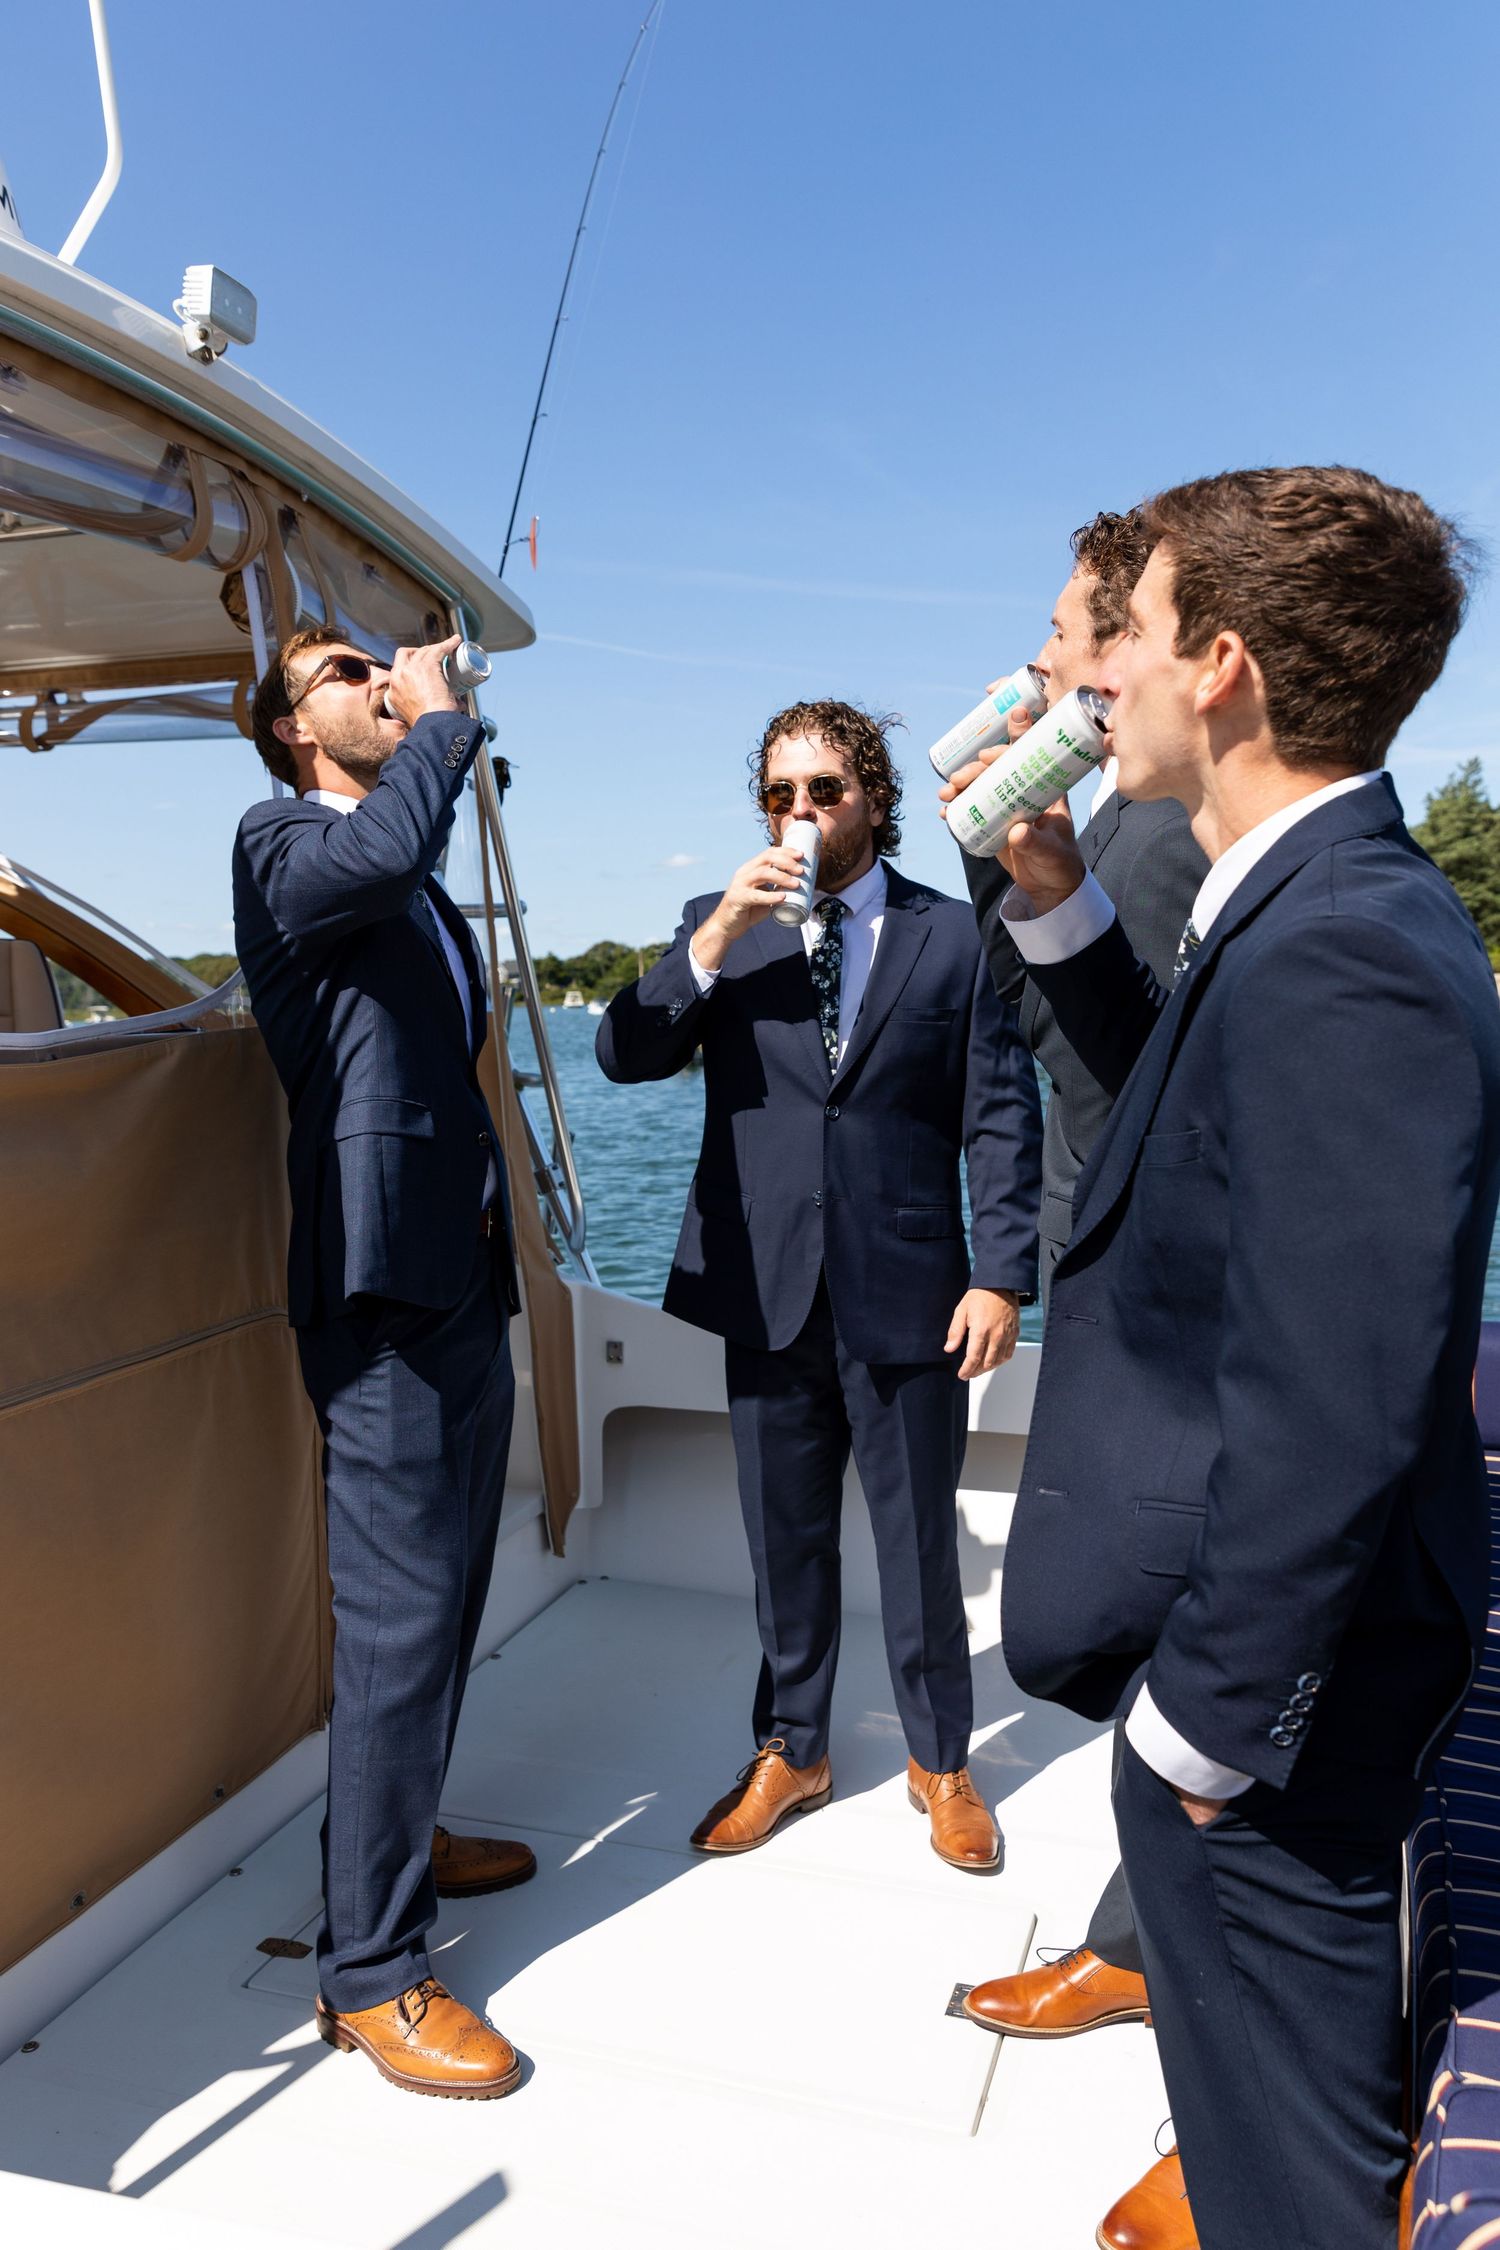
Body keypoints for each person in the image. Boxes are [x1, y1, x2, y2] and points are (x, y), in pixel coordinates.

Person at [996, 466, 1500, 2249]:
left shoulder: (1348, 949)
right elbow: (1191, 1136)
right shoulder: (1296, 903)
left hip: (1281, 1713)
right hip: (1264, 1681)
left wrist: (1204, 1735)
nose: (1088, 682)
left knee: (1287, 2174)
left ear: (1218, 668)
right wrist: (1053, 902)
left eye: (1117, 638)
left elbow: (1342, 1399)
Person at [597, 701, 1042, 1868]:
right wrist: (710, 942)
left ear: (876, 800)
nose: (801, 813)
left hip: (911, 1292)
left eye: (825, 791)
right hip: (763, 1287)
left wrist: (1002, 1273)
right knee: (782, 1540)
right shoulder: (721, 926)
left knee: (918, 1545)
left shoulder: (952, 936)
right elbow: (626, 1054)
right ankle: (794, 1749)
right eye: (781, 794)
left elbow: (1000, 1117)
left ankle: (942, 1761)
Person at [232, 628, 530, 2101]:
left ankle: (393, 1838)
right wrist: (440, 722)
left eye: (378, 667)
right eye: (343, 671)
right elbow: (385, 852)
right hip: (376, 1298)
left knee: (449, 1598)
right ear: (295, 729)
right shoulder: (284, 840)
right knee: (400, 1619)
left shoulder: (402, 873)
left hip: (456, 1281)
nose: (372, 680)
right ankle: (372, 1974)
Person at [948, 519, 1206, 2164]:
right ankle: (1135, 1945)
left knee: (1201, 1674)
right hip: (1098, 1271)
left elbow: (1120, 1080)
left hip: (1162, 1306)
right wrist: (1020, 868)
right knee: (1160, 1669)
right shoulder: (1107, 831)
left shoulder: (1170, 848)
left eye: (1058, 641)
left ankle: (1186, 2007)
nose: (1036, 667)